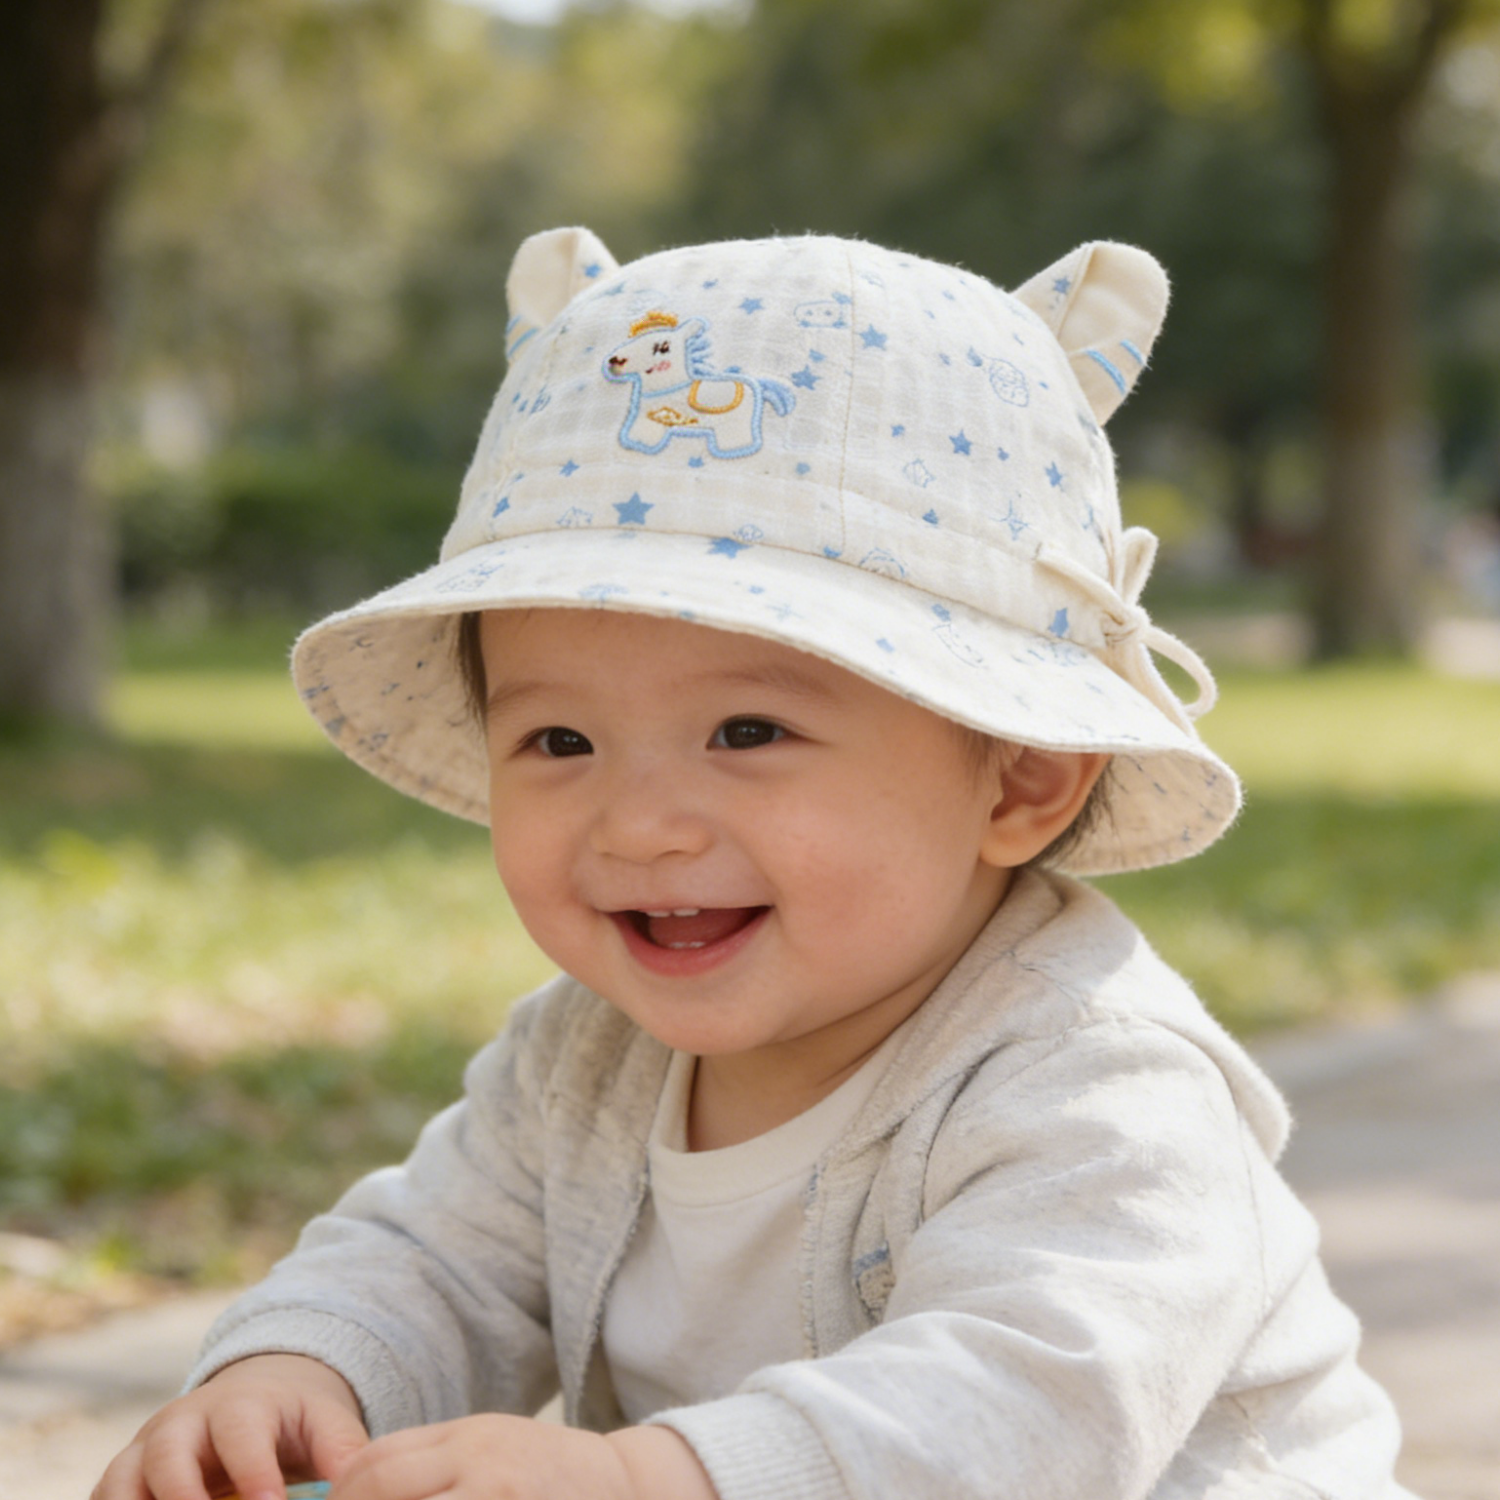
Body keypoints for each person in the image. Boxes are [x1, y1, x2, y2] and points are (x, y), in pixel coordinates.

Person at [95, 228, 1413, 1500]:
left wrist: (647, 1477)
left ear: (1018, 778)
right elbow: (434, 1258)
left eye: (747, 732)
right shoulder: (582, 1061)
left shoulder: (1097, 1087)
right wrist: (298, 1371)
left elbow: (1020, 1413)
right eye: (560, 741)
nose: (639, 826)